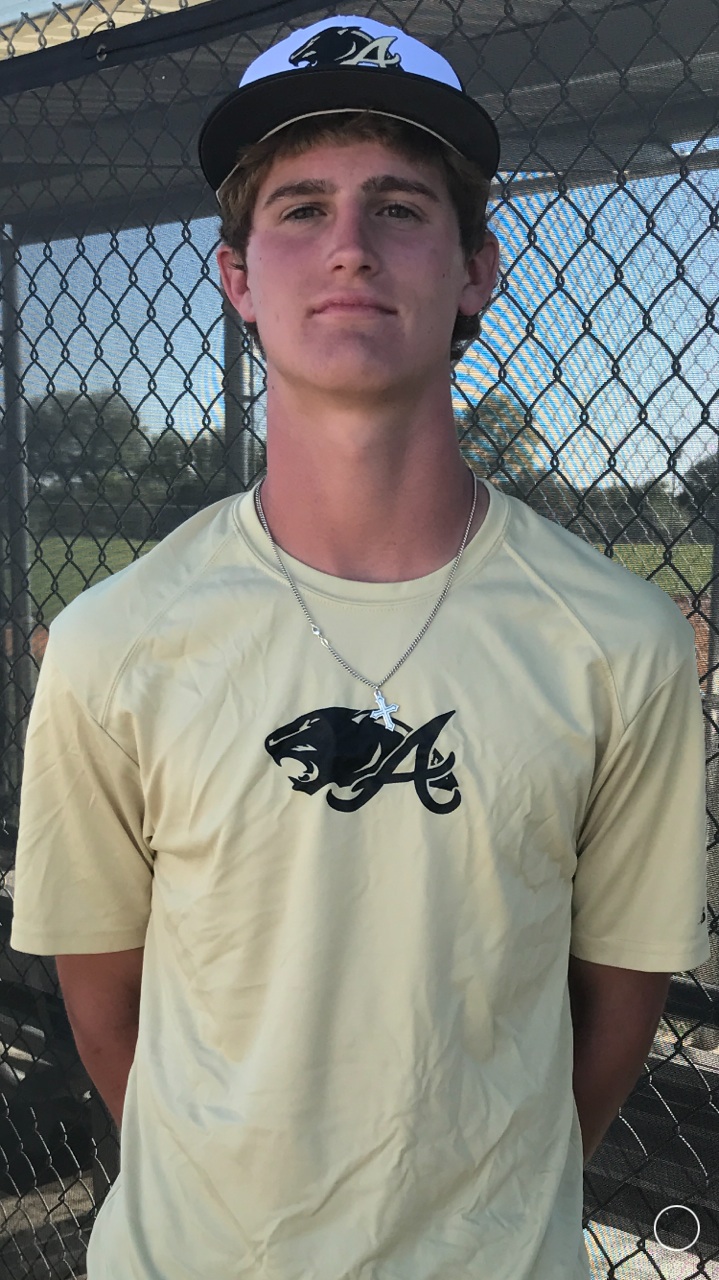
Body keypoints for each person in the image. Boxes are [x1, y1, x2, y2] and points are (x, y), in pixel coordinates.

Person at [9, 14, 710, 1280]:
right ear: (236, 277)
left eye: (397, 206)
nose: (347, 245)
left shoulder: (618, 640)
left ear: (475, 269)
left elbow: (617, 1000)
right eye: (299, 208)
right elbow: (104, 999)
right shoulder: (116, 640)